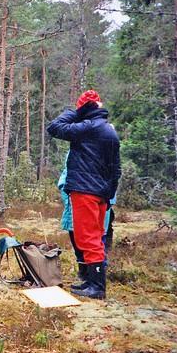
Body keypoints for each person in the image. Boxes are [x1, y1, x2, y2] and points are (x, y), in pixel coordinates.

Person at [48, 89, 121, 299]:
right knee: (95, 237)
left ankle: (97, 287)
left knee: (87, 238)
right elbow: (116, 169)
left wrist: (74, 112)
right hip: (101, 193)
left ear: (85, 109)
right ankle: (91, 282)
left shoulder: (89, 128)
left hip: (85, 190)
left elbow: (54, 128)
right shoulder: (109, 130)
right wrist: (109, 196)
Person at [58, 154, 117, 290]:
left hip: (97, 202)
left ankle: (96, 281)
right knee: (78, 242)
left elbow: (113, 177)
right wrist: (68, 194)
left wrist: (107, 200)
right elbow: (66, 175)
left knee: (96, 242)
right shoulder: (77, 150)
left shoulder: (107, 149)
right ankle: (85, 277)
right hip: (76, 201)